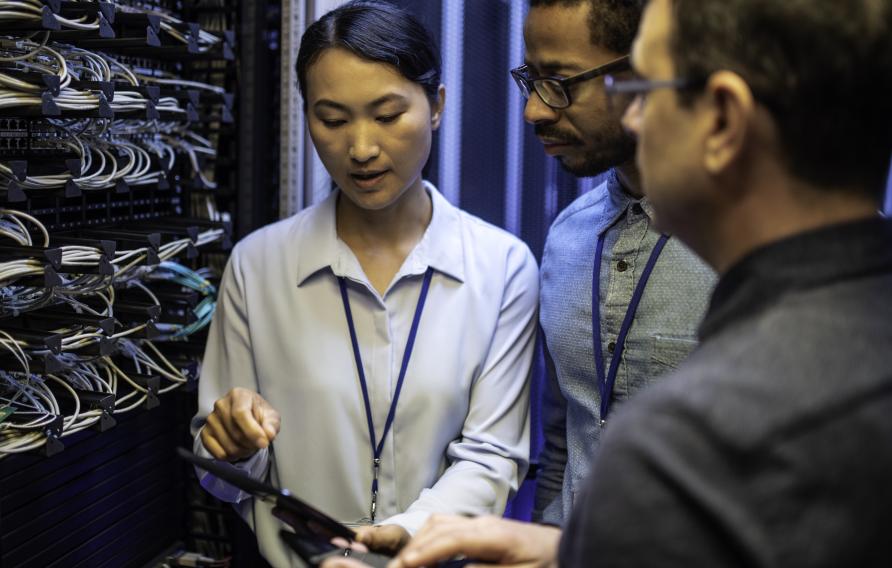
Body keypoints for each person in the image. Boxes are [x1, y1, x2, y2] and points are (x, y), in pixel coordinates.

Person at [338, 0, 892, 566]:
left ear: (724, 118)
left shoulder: (693, 424)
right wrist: (558, 550)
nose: (632, 118)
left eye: (646, 91)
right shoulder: (571, 240)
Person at [190, 2, 539, 565]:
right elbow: (226, 479)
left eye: (386, 114)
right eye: (332, 119)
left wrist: (401, 538)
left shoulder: (502, 268)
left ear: (437, 107)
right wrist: (228, 445)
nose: (360, 148)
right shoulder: (258, 266)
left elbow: (492, 457)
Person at [513, 0, 715, 524]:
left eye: (559, 82)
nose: (534, 110)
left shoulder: (756, 244)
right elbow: (563, 443)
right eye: (530, 79)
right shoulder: (567, 238)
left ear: (648, 72)